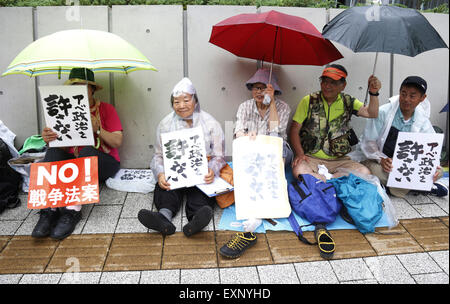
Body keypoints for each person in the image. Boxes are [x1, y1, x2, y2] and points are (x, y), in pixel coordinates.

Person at [32, 67, 123, 240]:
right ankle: (48, 211)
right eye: (75, 86)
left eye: (84, 86)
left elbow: (117, 142)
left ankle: (72, 211)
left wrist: (98, 130)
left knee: (88, 151)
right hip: (73, 165)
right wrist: (48, 138)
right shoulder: (62, 109)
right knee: (52, 152)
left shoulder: (105, 109)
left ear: (93, 89)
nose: (79, 90)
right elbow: (58, 146)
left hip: (102, 163)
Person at [138, 78, 226, 237]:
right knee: (165, 187)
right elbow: (158, 156)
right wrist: (160, 173)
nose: (181, 105)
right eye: (176, 102)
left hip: (200, 173)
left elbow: (219, 156)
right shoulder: (165, 124)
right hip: (175, 173)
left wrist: (212, 170)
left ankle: (196, 220)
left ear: (195, 101)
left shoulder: (211, 123)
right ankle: (163, 218)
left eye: (186, 100)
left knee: (201, 193)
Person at [219, 68, 292, 259]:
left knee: (275, 160)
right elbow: (237, 132)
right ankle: (254, 210)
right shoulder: (244, 106)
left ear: (274, 89)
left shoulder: (283, 107)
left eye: (264, 88)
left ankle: (264, 208)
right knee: (246, 157)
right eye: (255, 88)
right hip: (253, 151)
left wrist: (272, 102)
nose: (260, 92)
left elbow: (277, 132)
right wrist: (247, 134)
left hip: (276, 150)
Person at [289, 64, 381, 182]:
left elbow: (371, 113)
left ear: (343, 85)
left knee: (364, 172)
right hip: (311, 158)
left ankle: (323, 180)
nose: (327, 86)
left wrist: (373, 94)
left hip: (340, 160)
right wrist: (300, 154)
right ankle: (332, 181)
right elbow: (294, 130)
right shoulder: (309, 100)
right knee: (299, 171)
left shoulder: (348, 101)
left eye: (332, 82)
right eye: (324, 81)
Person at [360, 76, 447, 197]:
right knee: (373, 171)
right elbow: (368, 142)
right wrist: (381, 159)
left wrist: (434, 166)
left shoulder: (422, 119)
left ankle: (398, 187)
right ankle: (421, 187)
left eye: (412, 96)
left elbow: (431, 148)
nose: (406, 99)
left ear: (422, 98)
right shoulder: (384, 112)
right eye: (403, 94)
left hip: (406, 167)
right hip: (383, 163)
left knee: (439, 171)